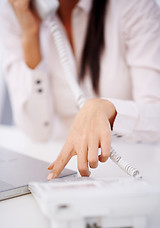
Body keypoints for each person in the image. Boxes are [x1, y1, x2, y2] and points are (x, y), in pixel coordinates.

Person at [0, 0, 160, 180]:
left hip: (134, 164)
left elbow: (156, 117)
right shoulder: (16, 10)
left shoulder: (134, 5)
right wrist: (30, 34)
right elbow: (36, 131)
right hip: (60, 166)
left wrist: (110, 110)